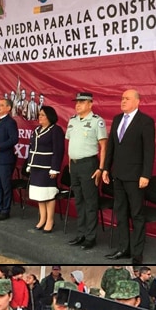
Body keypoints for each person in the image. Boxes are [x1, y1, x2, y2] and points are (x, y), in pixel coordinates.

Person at [102, 89, 156, 266]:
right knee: (121, 213)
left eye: (127, 98)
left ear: (137, 101)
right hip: (118, 175)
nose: (123, 101)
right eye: (122, 98)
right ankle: (123, 248)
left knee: (137, 214)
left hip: (135, 177)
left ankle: (137, 253)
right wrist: (106, 168)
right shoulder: (117, 119)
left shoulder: (145, 121)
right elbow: (111, 147)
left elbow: (149, 151)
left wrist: (146, 174)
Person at [65, 91, 108, 251]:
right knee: (79, 201)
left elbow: (104, 146)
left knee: (90, 202)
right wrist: (70, 163)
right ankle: (81, 234)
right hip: (75, 165)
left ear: (90, 104)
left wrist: (101, 168)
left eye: (82, 102)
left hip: (89, 164)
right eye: (77, 102)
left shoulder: (97, 121)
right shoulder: (72, 120)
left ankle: (90, 237)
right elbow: (71, 143)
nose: (78, 105)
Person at [25, 105, 65, 232]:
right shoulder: (37, 129)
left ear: (49, 117)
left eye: (43, 115)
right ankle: (42, 219)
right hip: (36, 167)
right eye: (39, 115)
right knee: (39, 195)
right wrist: (29, 164)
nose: (40, 117)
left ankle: (50, 220)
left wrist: (54, 168)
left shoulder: (55, 130)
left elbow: (58, 150)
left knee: (48, 194)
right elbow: (32, 148)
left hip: (47, 168)